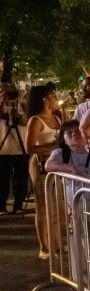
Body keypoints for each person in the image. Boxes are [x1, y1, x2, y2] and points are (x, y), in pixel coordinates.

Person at [25, 85, 62, 258]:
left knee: (56, 206)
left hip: (56, 165)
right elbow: (30, 147)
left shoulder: (57, 117)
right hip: (41, 165)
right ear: (45, 101)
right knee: (42, 206)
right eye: (54, 96)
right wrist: (55, 145)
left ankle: (56, 243)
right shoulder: (36, 120)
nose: (57, 99)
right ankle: (44, 247)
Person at [0, 84, 30, 215]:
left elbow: (26, 122)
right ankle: (1, 206)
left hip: (20, 148)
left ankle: (18, 204)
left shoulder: (22, 105)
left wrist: (17, 113)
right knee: (3, 180)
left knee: (21, 179)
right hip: (3, 149)